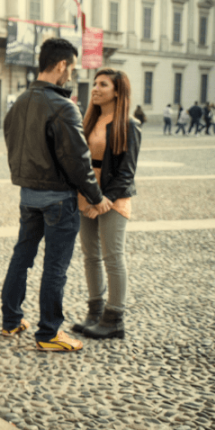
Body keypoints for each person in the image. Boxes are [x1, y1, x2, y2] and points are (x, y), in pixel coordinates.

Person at [1, 38, 110, 352]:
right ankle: (49, 333)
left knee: (21, 257)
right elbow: (78, 159)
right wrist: (94, 194)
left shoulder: (19, 102)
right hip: (57, 199)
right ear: (62, 65)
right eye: (71, 68)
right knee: (55, 267)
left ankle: (11, 321)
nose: (70, 75)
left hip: (28, 195)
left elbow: (13, 145)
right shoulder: (64, 106)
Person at [71, 69, 141, 339]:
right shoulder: (89, 121)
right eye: (95, 83)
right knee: (90, 256)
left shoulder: (128, 125)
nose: (96, 88)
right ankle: (95, 311)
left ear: (117, 91)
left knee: (113, 257)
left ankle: (114, 318)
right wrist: (89, 195)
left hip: (113, 198)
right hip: (87, 195)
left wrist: (106, 200)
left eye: (103, 84)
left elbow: (127, 172)